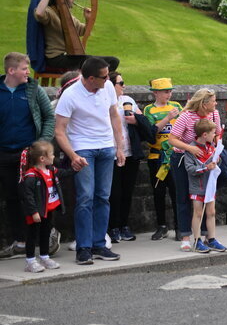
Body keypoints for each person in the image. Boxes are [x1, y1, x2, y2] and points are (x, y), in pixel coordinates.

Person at [53, 56, 125, 265]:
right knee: (85, 198)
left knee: (103, 196)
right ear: (90, 78)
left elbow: (114, 116)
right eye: (104, 77)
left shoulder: (107, 87)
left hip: (106, 147)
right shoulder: (71, 95)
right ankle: (83, 248)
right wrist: (73, 155)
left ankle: (99, 244)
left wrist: (119, 147)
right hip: (83, 148)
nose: (107, 81)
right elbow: (59, 131)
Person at [1, 52, 54, 259]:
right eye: (24, 68)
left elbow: (49, 116)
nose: (28, 72)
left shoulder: (33, 89)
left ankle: (45, 240)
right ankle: (20, 241)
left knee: (37, 198)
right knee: (12, 198)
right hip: (4, 154)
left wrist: (41, 144)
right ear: (11, 70)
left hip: (29, 155)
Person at [168, 88, 222, 251]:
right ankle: (185, 236)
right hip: (184, 159)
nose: (216, 103)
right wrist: (189, 149)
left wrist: (216, 150)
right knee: (184, 196)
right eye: (213, 101)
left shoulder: (214, 114)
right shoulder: (186, 116)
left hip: (206, 159)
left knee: (206, 196)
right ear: (204, 104)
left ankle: (207, 236)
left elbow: (218, 134)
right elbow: (172, 139)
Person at [33, 0, 119, 72]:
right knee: (95, 63)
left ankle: (96, 84)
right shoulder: (50, 12)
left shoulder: (67, 16)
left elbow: (83, 31)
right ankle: (91, 84)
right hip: (55, 58)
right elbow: (39, 13)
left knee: (113, 61)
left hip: (70, 57)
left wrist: (87, 19)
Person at [107, 71, 154, 243]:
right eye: (121, 83)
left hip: (130, 153)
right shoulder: (104, 102)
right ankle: (112, 227)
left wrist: (136, 120)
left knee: (127, 192)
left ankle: (123, 225)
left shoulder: (129, 101)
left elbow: (146, 123)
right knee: (114, 193)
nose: (124, 86)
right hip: (111, 154)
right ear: (111, 85)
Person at [143, 78, 182, 241]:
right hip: (157, 156)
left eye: (170, 91)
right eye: (165, 91)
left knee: (176, 192)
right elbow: (150, 134)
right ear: (156, 93)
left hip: (174, 155)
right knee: (159, 192)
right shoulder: (148, 110)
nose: (169, 94)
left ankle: (180, 227)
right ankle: (162, 226)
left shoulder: (177, 106)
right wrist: (167, 118)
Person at [18, 140, 63, 272]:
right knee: (32, 235)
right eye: (52, 154)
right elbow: (28, 196)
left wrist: (77, 169)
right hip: (35, 212)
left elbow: (64, 174)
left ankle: (45, 257)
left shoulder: (51, 170)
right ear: (42, 158)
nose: (54, 156)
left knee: (45, 233)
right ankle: (30, 261)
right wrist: (34, 212)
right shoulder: (31, 176)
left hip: (47, 210)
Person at [183, 119, 226, 253]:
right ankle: (196, 240)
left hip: (210, 186)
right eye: (213, 133)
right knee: (198, 213)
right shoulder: (191, 149)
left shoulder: (211, 147)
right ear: (204, 134)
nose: (215, 135)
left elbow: (215, 163)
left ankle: (211, 239)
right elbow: (190, 169)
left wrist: (217, 160)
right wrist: (206, 167)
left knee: (211, 212)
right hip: (198, 187)